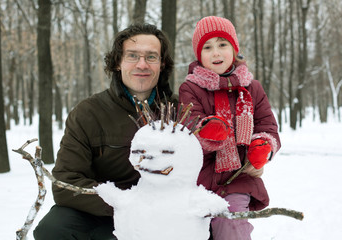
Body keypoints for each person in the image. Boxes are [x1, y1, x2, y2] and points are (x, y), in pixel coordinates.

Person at [33, 23, 176, 240]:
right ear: (118, 62)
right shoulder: (88, 113)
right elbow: (65, 181)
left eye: (151, 57)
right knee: (52, 228)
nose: (142, 64)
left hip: (163, 214)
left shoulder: (179, 111)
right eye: (132, 56)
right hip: (103, 212)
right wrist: (124, 203)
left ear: (162, 64)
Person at [179, 16, 281, 240]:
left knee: (230, 224)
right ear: (199, 54)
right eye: (207, 47)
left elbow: (267, 125)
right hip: (200, 180)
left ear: (234, 49)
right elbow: (189, 125)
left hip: (238, 178)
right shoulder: (191, 88)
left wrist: (263, 146)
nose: (216, 52)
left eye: (222, 44)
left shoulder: (252, 88)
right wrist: (206, 132)